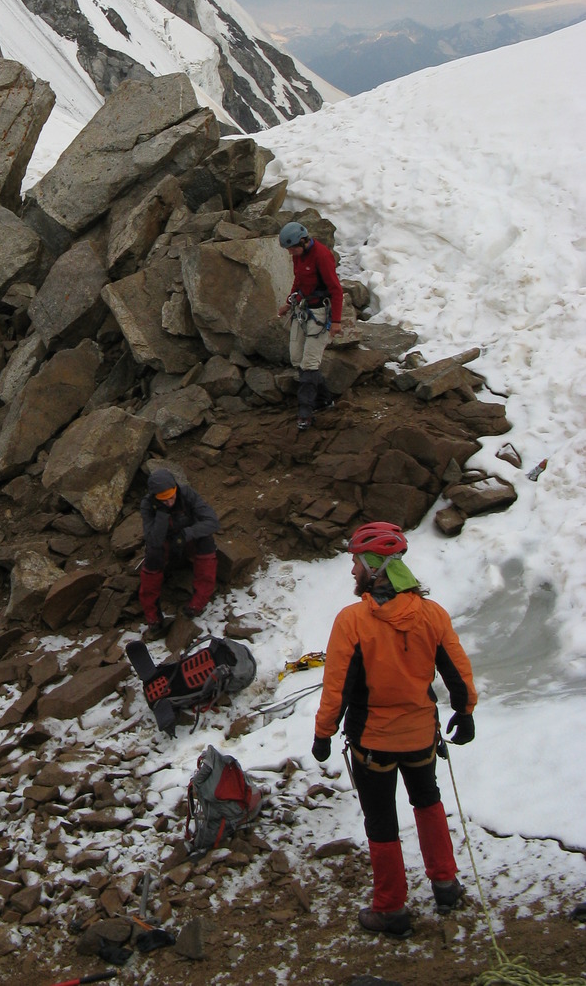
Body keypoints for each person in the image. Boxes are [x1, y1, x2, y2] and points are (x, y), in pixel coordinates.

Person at [312, 522, 477, 936]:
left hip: (373, 742)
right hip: (421, 734)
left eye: (355, 562)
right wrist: (465, 710)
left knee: (381, 820)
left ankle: (391, 908)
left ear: (373, 566)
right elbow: (457, 670)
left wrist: (323, 733)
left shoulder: (352, 622)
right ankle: (445, 884)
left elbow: (338, 686)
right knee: (427, 800)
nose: (352, 571)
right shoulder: (432, 614)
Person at [277, 220, 344, 431]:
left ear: (303, 242)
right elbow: (299, 281)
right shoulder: (300, 256)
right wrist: (288, 303)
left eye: (292, 249)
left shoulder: (322, 256)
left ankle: (305, 411)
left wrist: (336, 322)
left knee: (309, 364)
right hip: (303, 310)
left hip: (320, 314)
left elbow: (336, 290)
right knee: (297, 358)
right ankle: (325, 399)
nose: (290, 254)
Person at [138, 467, 220, 635]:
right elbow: (153, 540)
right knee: (153, 555)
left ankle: (197, 604)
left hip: (189, 540)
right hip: (165, 546)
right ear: (154, 497)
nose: (169, 502)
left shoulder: (187, 494)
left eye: (171, 497)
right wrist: (162, 514)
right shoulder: (147, 506)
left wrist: (186, 534)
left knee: (206, 541)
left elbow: (212, 521)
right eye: (163, 500)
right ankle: (153, 618)